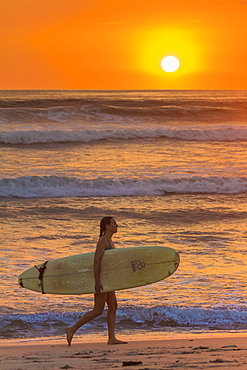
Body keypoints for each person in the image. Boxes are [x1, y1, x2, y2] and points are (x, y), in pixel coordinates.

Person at [66, 216, 127, 346]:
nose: (117, 226)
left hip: (108, 280)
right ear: (107, 226)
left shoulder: (110, 241)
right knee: (98, 310)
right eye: (114, 224)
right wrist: (97, 281)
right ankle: (71, 329)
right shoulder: (103, 241)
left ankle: (111, 338)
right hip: (102, 280)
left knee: (113, 306)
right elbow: (96, 261)